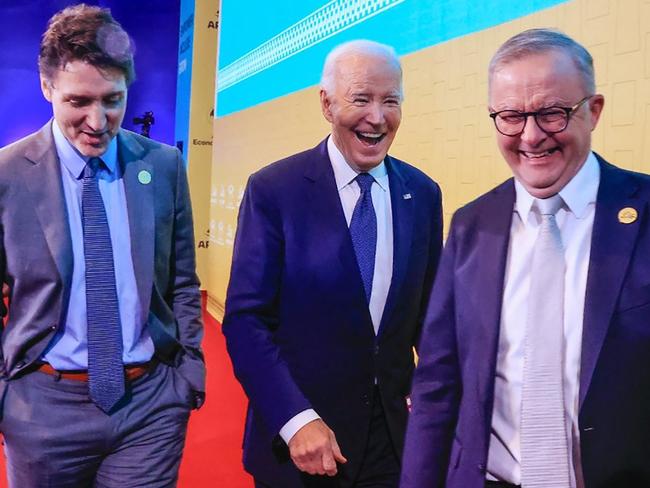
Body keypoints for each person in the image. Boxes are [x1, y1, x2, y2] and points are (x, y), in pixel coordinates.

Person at [401, 27, 650, 488]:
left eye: (553, 113)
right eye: (511, 116)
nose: (531, 137)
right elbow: (437, 385)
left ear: (593, 111)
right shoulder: (470, 225)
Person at [223, 40, 443, 488]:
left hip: (392, 448)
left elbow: (432, 318)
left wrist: (437, 393)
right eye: (361, 99)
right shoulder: (274, 191)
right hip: (301, 447)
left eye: (391, 101)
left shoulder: (422, 194)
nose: (377, 117)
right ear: (327, 103)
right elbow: (246, 321)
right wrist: (295, 419)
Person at [0, 5, 204, 486]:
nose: (98, 120)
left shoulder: (164, 166)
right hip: (42, 411)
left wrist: (187, 374)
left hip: (150, 407)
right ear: (47, 87)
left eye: (113, 100)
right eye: (79, 101)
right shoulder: (6, 177)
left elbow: (181, 280)